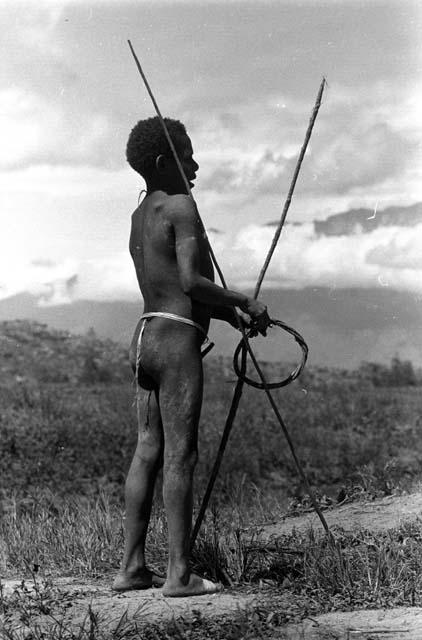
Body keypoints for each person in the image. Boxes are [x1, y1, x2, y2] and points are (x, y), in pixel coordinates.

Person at [113, 116, 270, 597]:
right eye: (187, 156)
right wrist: (244, 301)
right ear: (164, 163)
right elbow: (190, 283)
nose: (196, 165)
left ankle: (132, 570)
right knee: (182, 454)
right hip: (178, 342)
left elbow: (171, 291)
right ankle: (179, 575)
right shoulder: (182, 205)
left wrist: (226, 318)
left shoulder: (141, 215)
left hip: (145, 337)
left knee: (148, 451)